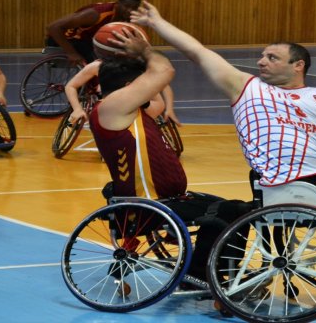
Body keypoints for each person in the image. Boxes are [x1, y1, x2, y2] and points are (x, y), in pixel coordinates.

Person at [131, 2, 316, 295]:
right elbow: (198, 52)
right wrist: (156, 23)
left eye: (272, 57)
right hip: (285, 184)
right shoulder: (246, 88)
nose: (261, 62)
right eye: (262, 56)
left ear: (298, 65)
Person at [89, 27, 251, 283]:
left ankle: (204, 270)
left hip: (168, 198)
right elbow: (164, 71)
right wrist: (145, 51)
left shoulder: (131, 112)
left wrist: (136, 60)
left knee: (235, 208)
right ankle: (205, 274)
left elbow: (159, 96)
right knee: (234, 212)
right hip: (148, 204)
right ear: (130, 87)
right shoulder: (111, 107)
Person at [64, 59, 181, 125]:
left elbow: (164, 86)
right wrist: (77, 109)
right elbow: (71, 86)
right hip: (109, 100)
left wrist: (169, 109)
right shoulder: (97, 66)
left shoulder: (144, 69)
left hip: (140, 98)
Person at [45, 0, 142, 67]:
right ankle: (90, 87)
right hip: (62, 38)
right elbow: (53, 27)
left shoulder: (127, 17)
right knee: (98, 62)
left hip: (85, 40)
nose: (130, 10)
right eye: (126, 6)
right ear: (118, 4)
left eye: (134, 8)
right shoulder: (96, 14)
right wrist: (72, 53)